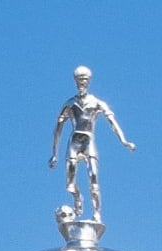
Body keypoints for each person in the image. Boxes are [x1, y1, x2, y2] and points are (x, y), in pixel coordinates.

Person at [48, 66, 134, 224]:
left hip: (88, 141)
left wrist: (124, 141)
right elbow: (58, 127)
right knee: (70, 184)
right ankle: (77, 197)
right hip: (74, 141)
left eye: (84, 80)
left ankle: (96, 214)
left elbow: (112, 122)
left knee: (93, 178)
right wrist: (55, 153)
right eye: (79, 80)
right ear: (75, 82)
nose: (82, 83)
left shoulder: (96, 103)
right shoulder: (70, 103)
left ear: (88, 82)